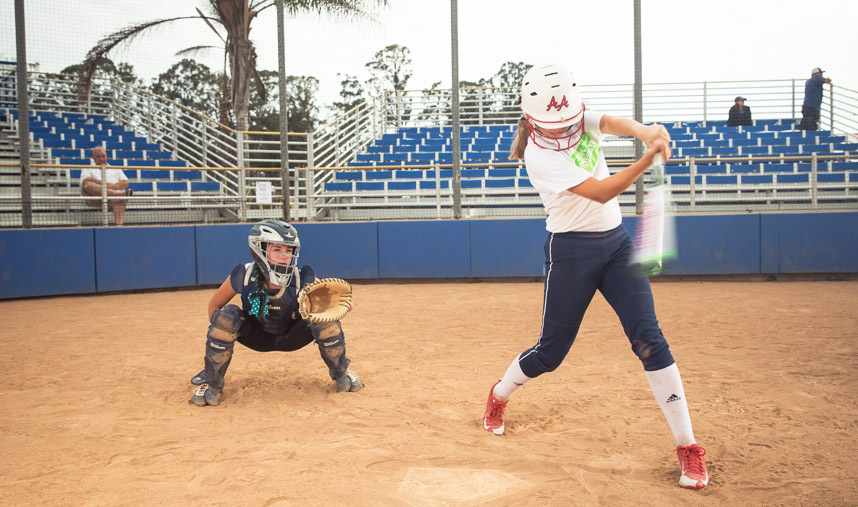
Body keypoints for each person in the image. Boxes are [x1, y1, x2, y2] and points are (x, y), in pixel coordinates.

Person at [482, 64, 709, 490]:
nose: (568, 129)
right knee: (551, 353)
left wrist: (644, 131)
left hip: (617, 244)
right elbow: (602, 191)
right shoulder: (539, 153)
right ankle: (498, 396)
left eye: (571, 121)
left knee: (649, 338)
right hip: (571, 252)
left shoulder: (573, 115)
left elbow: (607, 121)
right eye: (558, 125)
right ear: (533, 120)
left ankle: (688, 447)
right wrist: (646, 158)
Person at [189, 219, 363, 407]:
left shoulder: (301, 278)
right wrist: (218, 338)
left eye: (288, 251)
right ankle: (211, 379)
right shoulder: (244, 275)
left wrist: (340, 304)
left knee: (323, 319)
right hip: (257, 337)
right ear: (259, 248)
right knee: (227, 315)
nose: (284, 256)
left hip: (291, 337)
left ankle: (341, 372)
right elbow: (215, 305)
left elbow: (341, 304)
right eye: (277, 249)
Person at [80, 146, 133, 226]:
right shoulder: (87, 168)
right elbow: (86, 181)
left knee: (118, 201)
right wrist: (105, 184)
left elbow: (125, 182)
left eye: (103, 156)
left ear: (106, 155)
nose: (101, 159)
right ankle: (120, 195)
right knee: (89, 186)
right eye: (98, 157)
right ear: (93, 158)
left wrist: (115, 187)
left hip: (113, 199)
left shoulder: (115, 169)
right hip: (95, 198)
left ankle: (119, 228)